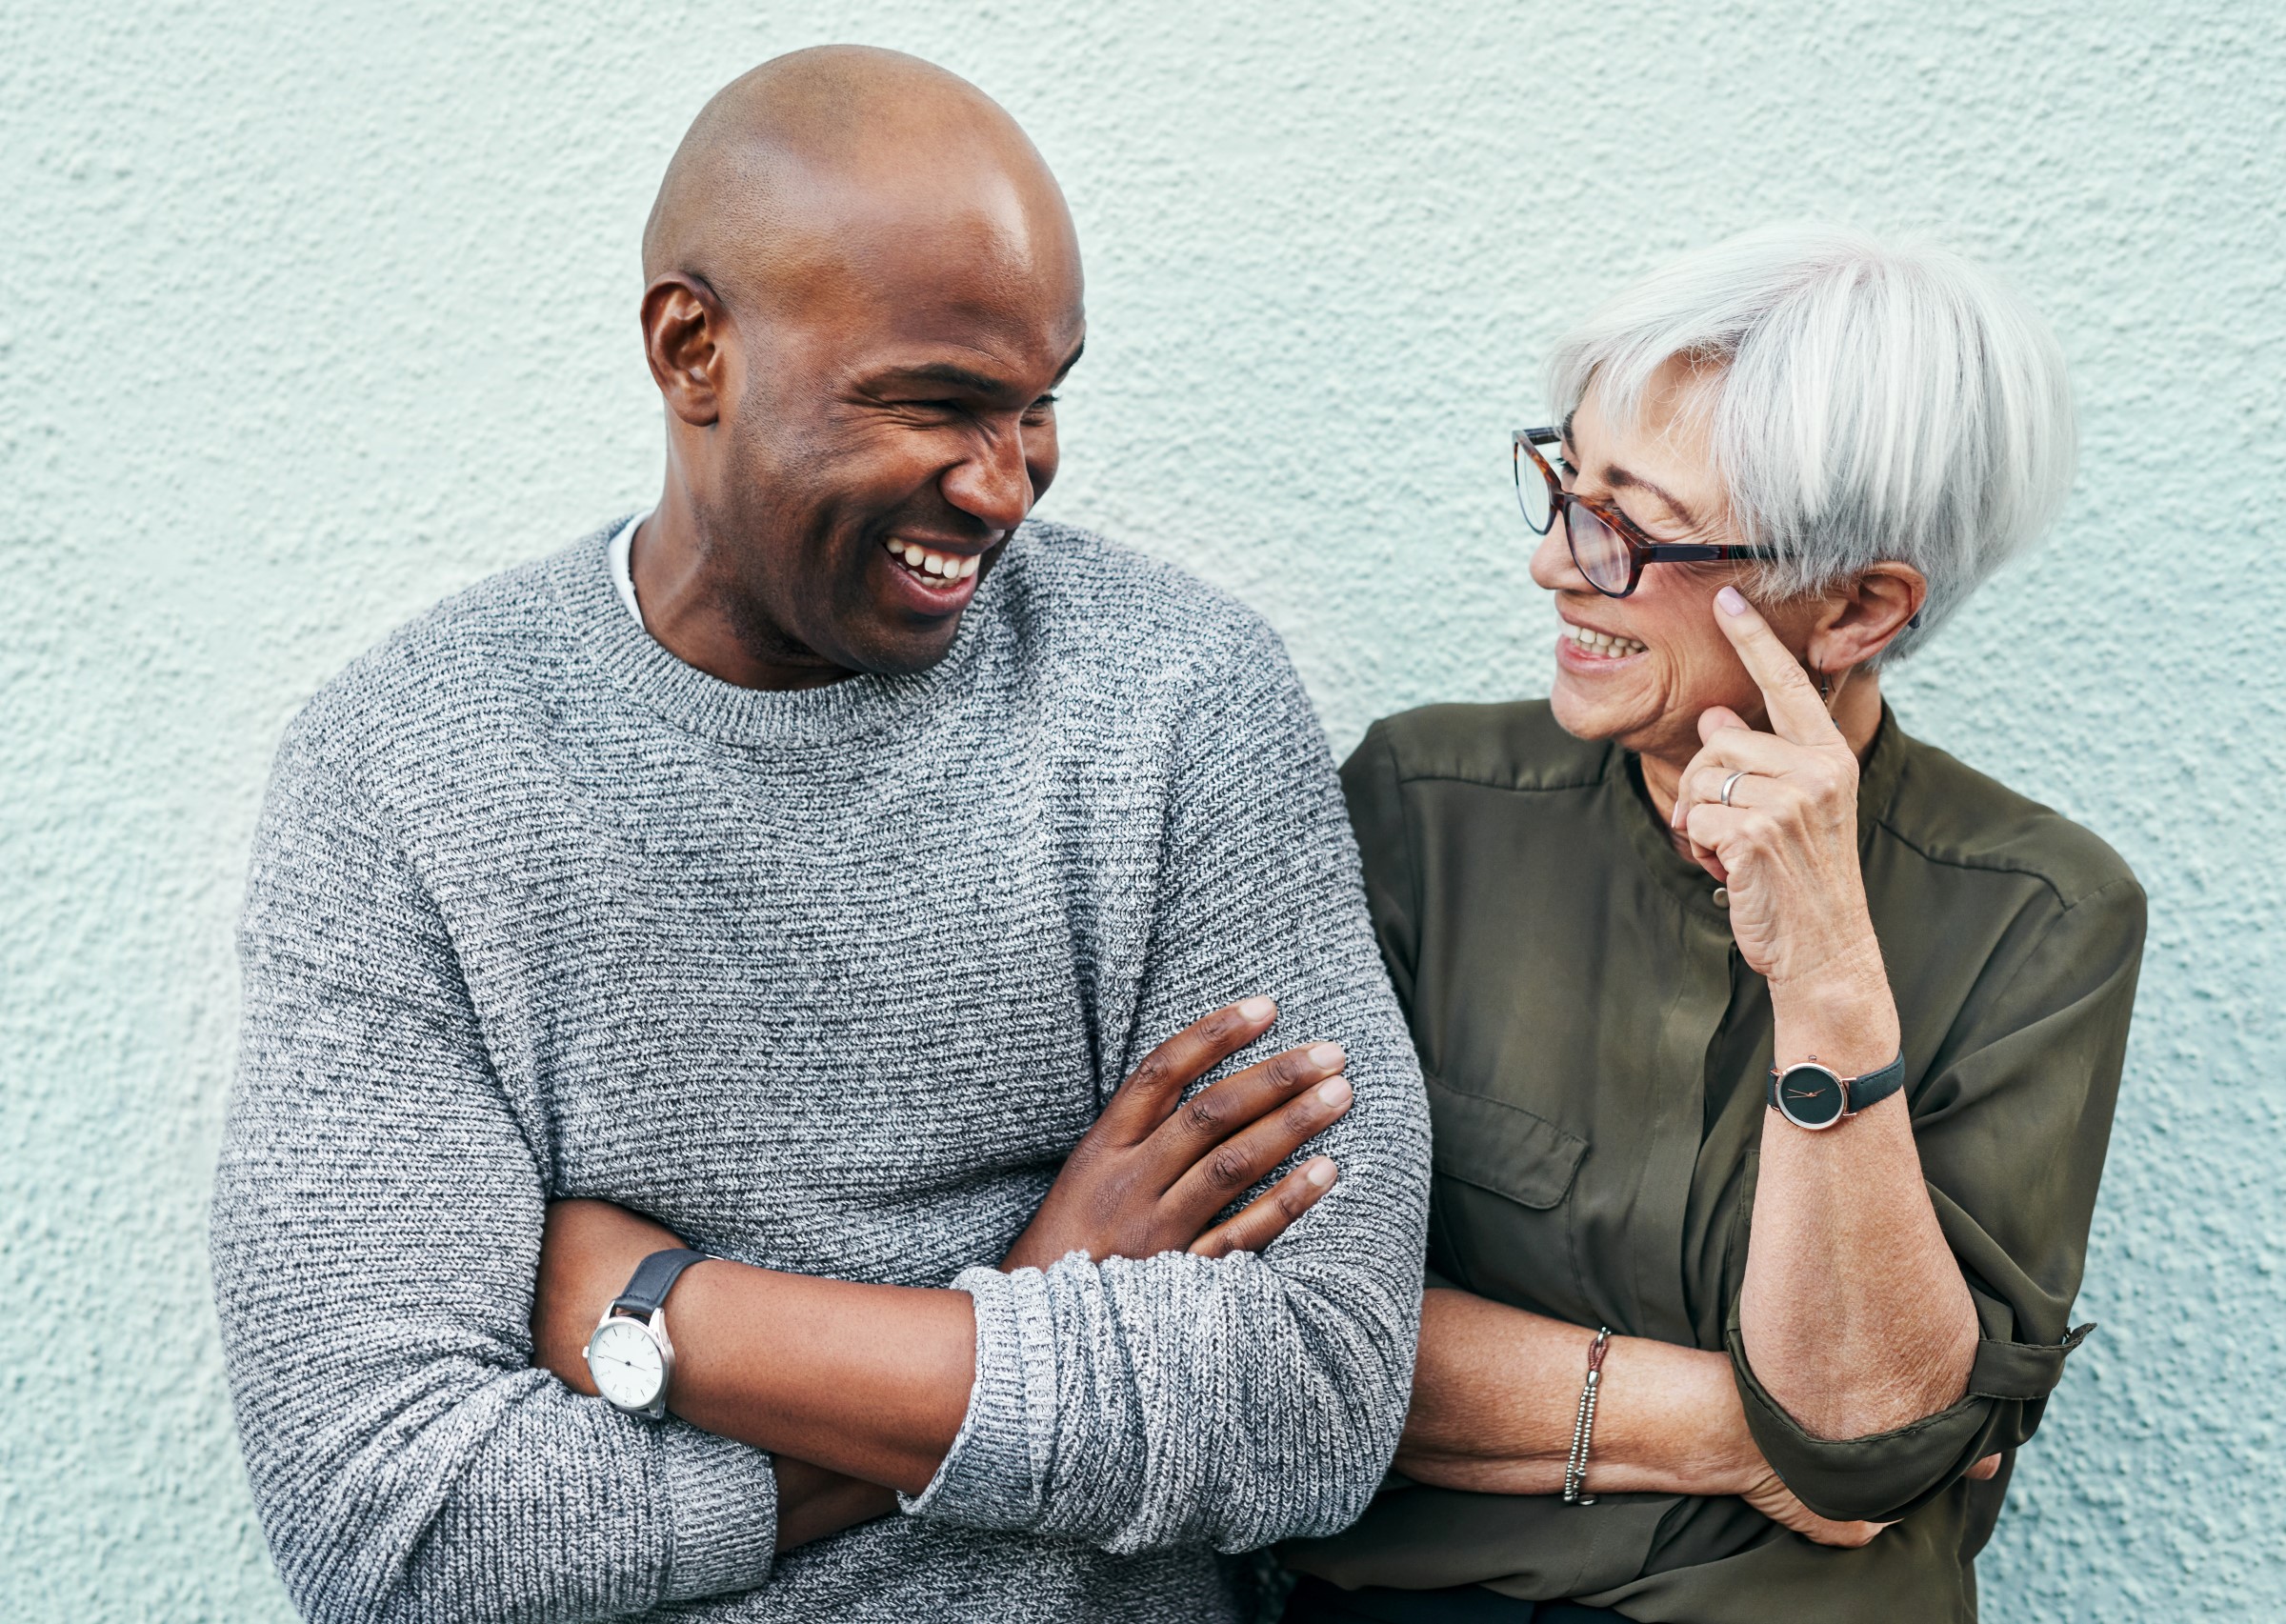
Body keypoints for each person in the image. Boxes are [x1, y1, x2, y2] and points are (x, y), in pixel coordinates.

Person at [211, 46, 1430, 1624]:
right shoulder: (408, 775)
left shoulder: (1179, 701)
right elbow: (392, 1525)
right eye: (935, 403)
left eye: (1041, 403)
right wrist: (1048, 1293)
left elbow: (1319, 1399)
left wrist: (678, 1320)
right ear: (692, 346)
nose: (1006, 486)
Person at [1282, 228, 2144, 1622]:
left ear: (1860, 604)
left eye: (1632, 526)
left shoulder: (2042, 915)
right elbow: (1282, 1337)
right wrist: (1742, 1430)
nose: (1558, 565)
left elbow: (1867, 1416)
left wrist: (1832, 981)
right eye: (1566, 483)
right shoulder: (1424, 805)